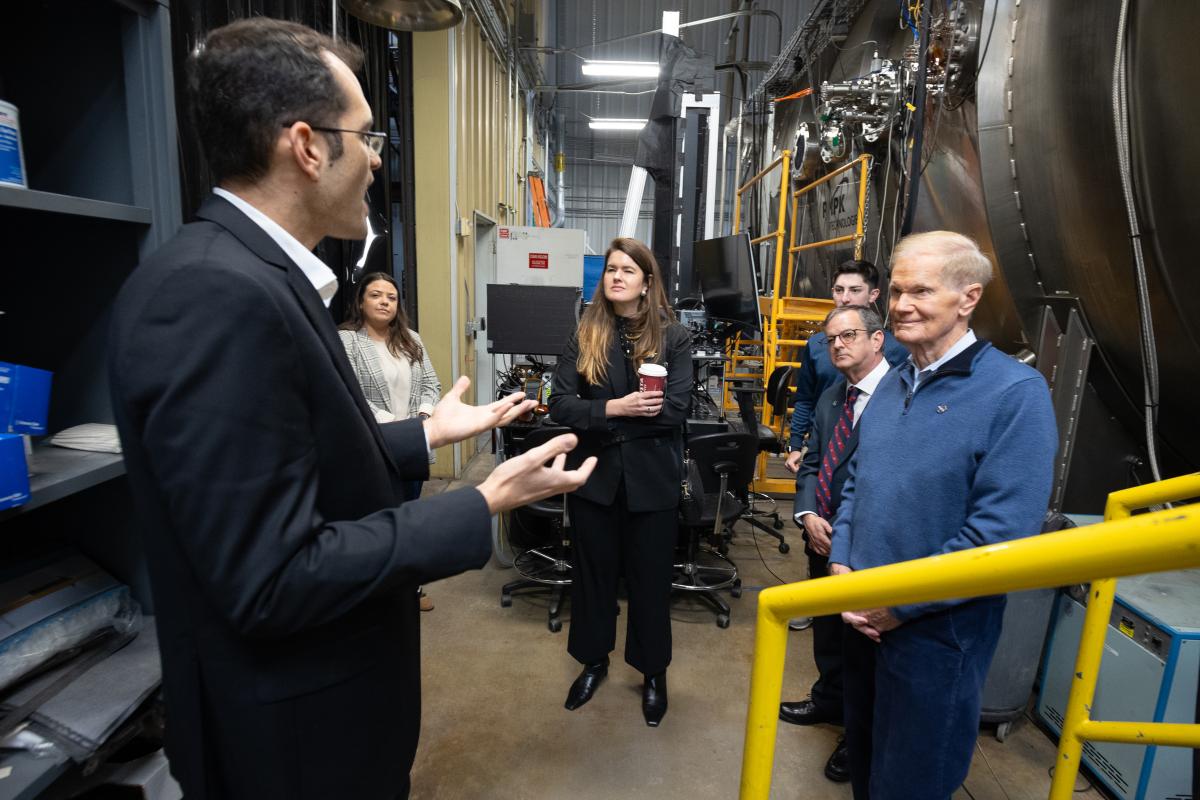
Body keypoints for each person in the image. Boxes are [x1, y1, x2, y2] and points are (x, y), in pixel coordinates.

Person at [107, 18, 595, 799]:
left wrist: (424, 433)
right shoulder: (211, 295)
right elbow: (271, 575)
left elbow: (299, 454)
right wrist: (480, 502)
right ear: (305, 146)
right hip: (295, 753)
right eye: (366, 136)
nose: (377, 159)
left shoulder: (259, 279)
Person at [827, 231, 1057, 799]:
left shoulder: (1015, 394)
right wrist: (841, 562)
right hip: (857, 612)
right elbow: (857, 481)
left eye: (921, 291)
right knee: (866, 764)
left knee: (911, 782)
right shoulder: (894, 379)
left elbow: (1001, 534)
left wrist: (898, 604)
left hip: (935, 636)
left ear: (968, 298)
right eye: (898, 290)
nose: (901, 304)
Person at [548, 237, 692, 728]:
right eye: (611, 269)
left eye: (628, 270)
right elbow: (560, 406)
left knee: (651, 582)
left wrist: (604, 419)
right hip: (596, 480)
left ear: (647, 282)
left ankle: (653, 673)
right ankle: (593, 662)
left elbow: (676, 410)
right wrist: (615, 408)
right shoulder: (584, 335)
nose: (616, 277)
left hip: (652, 483)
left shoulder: (675, 338)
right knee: (593, 580)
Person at [779, 304, 892, 784]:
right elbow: (810, 464)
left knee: (863, 645)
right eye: (832, 340)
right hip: (820, 535)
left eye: (849, 335)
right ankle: (828, 701)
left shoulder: (899, 396)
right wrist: (807, 515)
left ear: (878, 339)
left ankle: (856, 731)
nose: (839, 345)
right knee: (828, 630)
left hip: (867, 543)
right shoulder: (832, 395)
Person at [340, 271, 442, 611]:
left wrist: (423, 418)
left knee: (409, 517)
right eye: (376, 295)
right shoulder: (347, 341)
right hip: (374, 444)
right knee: (376, 521)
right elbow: (348, 394)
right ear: (360, 301)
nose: (384, 301)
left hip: (412, 443)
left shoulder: (411, 339)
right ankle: (375, 591)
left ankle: (410, 589)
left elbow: (431, 384)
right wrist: (394, 425)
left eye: (391, 297)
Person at [783, 260, 908, 474]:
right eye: (839, 290)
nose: (845, 298)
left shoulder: (897, 349)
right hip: (821, 445)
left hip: (870, 447)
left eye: (855, 290)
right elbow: (805, 398)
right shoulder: (817, 345)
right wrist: (795, 445)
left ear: (873, 295)